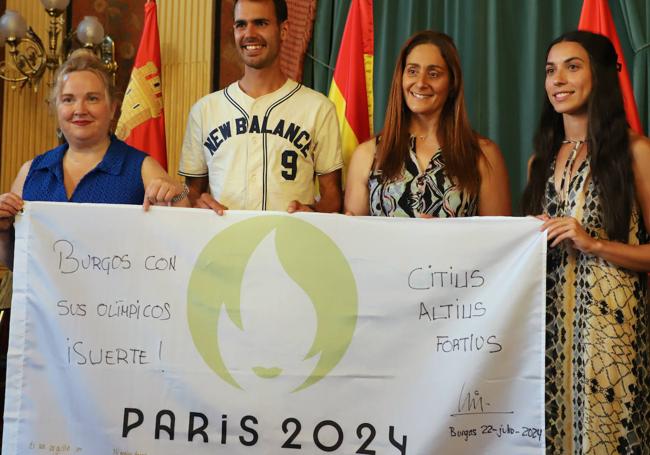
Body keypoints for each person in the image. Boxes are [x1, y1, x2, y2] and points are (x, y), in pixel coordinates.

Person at [522, 31, 650, 454]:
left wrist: (593, 243)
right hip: (546, 336)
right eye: (550, 70)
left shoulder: (636, 152)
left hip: (614, 338)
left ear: (599, 75)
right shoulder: (539, 161)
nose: (558, 79)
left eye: (572, 66)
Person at [0, 49, 189, 269]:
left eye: (92, 98)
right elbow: (17, 263)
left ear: (112, 109)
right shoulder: (31, 172)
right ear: (57, 109)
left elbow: (180, 234)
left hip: (119, 303)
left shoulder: (141, 167)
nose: (79, 110)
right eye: (68, 99)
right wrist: (3, 231)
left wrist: (177, 194)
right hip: (45, 304)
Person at [179, 0, 343, 215]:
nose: (249, 33)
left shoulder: (318, 108)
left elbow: (333, 198)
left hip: (289, 242)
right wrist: (193, 202)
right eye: (241, 25)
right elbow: (190, 192)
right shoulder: (204, 110)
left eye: (261, 23)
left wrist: (312, 212)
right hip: (223, 243)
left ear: (283, 30)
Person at [344, 30, 511, 217]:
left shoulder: (483, 155)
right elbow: (354, 240)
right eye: (412, 71)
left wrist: (445, 236)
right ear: (401, 78)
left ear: (452, 83)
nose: (420, 82)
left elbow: (499, 239)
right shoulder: (367, 154)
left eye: (433, 74)